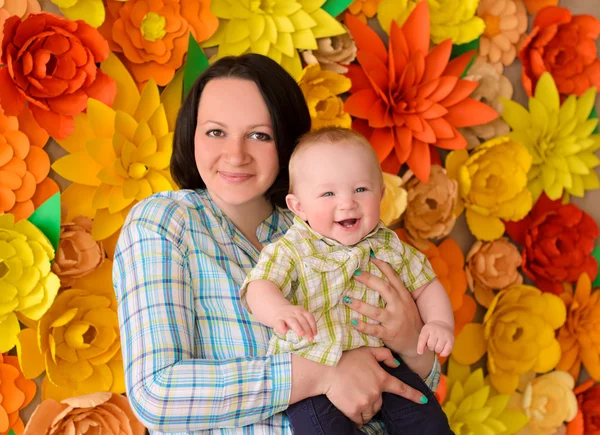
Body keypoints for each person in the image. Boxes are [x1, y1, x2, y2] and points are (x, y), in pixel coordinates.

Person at [113, 53, 443, 435]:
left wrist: (409, 342)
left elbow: (415, 390)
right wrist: (323, 373)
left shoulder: (323, 224)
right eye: (215, 132)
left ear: (287, 143)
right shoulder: (166, 222)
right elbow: (158, 394)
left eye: (259, 135)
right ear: (191, 136)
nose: (235, 154)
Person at [240, 128, 454, 434]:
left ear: (381, 193)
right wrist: (279, 311)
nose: (348, 203)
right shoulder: (292, 249)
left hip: (384, 361)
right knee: (322, 428)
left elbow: (427, 285)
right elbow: (259, 287)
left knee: (426, 418)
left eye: (361, 190)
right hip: (314, 368)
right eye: (328, 194)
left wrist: (439, 323)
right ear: (298, 206)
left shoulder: (388, 246)